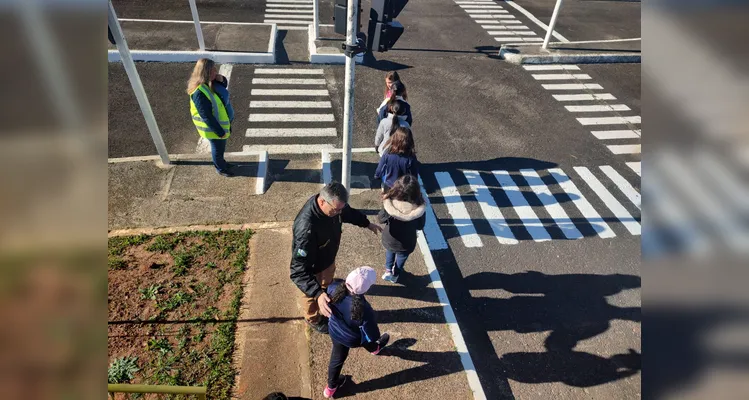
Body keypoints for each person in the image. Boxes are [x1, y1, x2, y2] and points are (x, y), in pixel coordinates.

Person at [290, 182, 383, 334]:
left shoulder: (334, 207)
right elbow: (298, 271)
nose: (339, 213)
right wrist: (317, 294)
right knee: (309, 297)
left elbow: (349, 213)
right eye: (336, 210)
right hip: (312, 269)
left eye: (341, 209)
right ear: (321, 201)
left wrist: (367, 224)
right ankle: (312, 318)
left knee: (326, 283)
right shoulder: (306, 230)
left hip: (327, 258)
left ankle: (324, 292)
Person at [324, 267, 390, 398]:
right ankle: (375, 348)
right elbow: (373, 334)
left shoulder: (333, 287)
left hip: (334, 330)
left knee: (336, 359)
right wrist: (375, 338)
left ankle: (330, 388)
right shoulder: (364, 309)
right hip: (352, 338)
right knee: (365, 338)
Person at [187, 58, 235, 177]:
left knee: (221, 149)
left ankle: (222, 163)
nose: (216, 71)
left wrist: (221, 79)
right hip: (215, 129)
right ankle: (221, 168)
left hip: (221, 125)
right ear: (206, 72)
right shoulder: (199, 93)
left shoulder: (209, 83)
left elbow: (221, 90)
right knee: (217, 150)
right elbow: (206, 116)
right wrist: (219, 132)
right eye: (213, 70)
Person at [377, 175, 426, 283]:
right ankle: (396, 274)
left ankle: (388, 270)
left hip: (390, 237)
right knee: (402, 257)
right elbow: (420, 226)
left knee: (390, 251)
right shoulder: (419, 208)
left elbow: (381, 219)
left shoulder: (390, 204)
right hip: (407, 241)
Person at [374, 127, 419, 192]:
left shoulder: (387, 154)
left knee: (388, 200)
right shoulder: (411, 158)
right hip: (404, 188)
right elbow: (414, 176)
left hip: (389, 186)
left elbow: (379, 170)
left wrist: (377, 176)